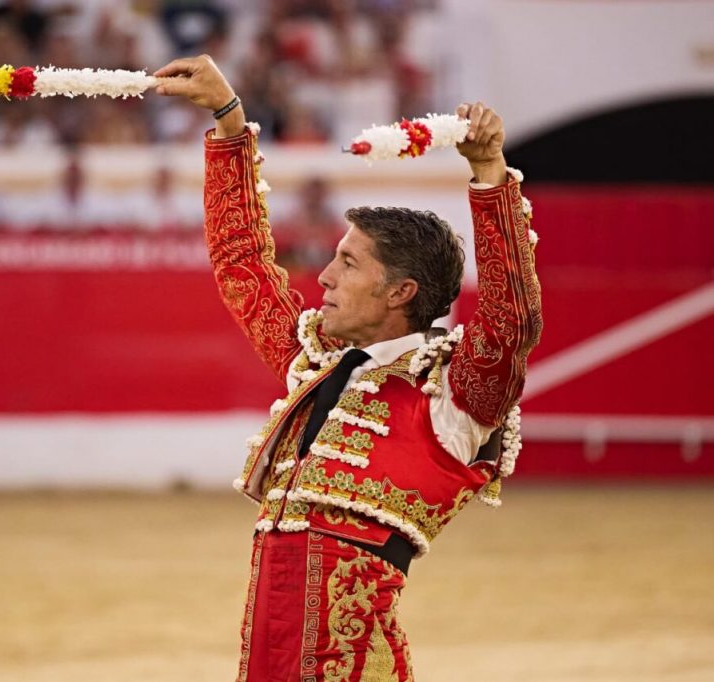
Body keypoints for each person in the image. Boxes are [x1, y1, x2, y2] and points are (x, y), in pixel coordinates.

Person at [154, 55, 542, 681]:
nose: (326, 277)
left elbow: (511, 319)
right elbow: (242, 262)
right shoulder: (316, 363)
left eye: (348, 263)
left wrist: (489, 174)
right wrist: (228, 120)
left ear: (400, 293)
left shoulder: (452, 396)